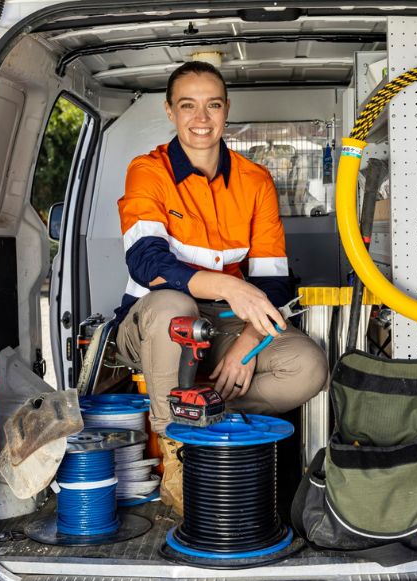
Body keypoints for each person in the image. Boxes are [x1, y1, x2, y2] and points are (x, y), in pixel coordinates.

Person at [113, 61, 329, 514]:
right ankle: (178, 457)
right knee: (175, 305)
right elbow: (145, 260)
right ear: (170, 111)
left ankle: (208, 417)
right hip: (153, 324)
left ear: (226, 111)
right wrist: (230, 289)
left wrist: (249, 340)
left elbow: (271, 279)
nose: (201, 118)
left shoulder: (255, 181)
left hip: (226, 325)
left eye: (212, 105)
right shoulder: (147, 172)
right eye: (188, 105)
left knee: (307, 366)